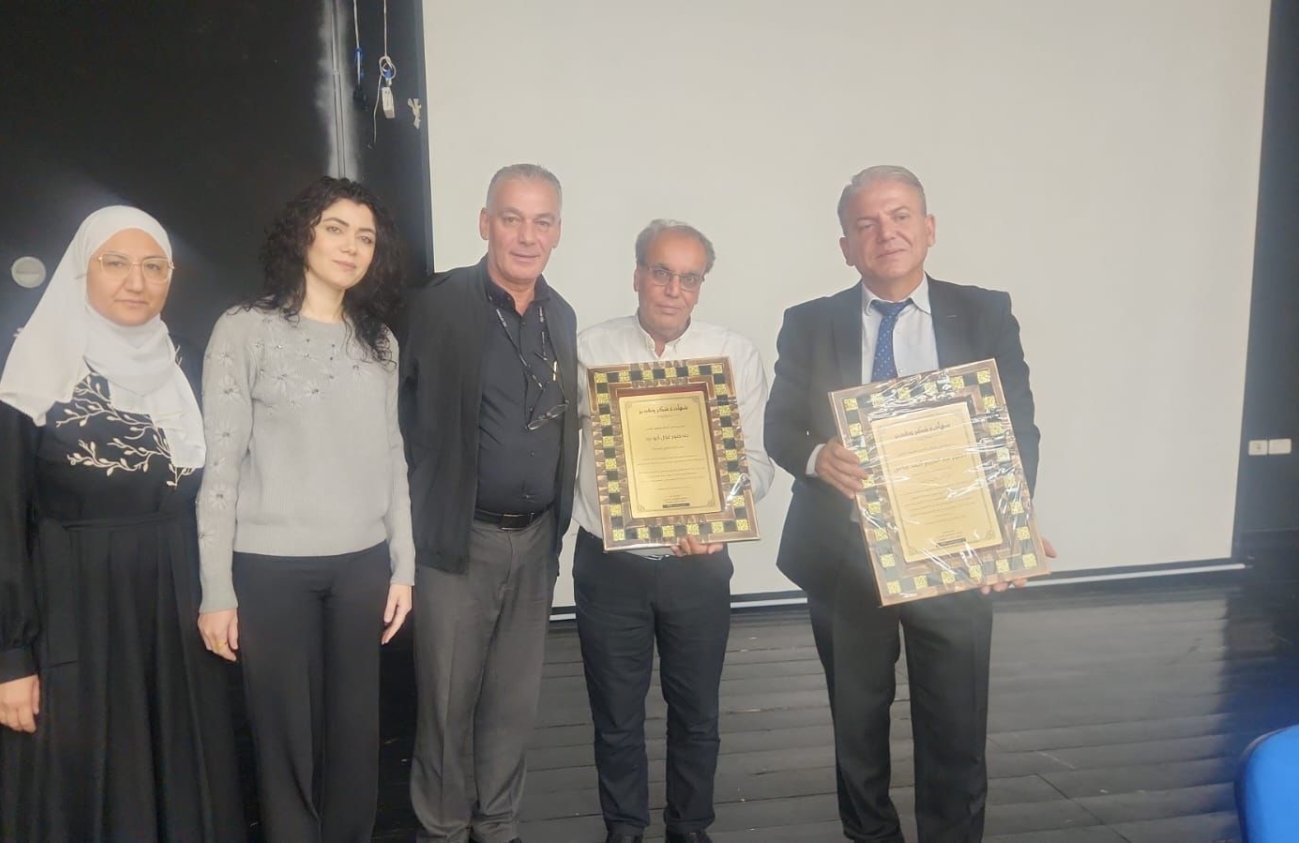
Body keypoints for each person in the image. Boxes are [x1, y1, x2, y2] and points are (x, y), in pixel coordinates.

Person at [766, 165, 1051, 843]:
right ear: (846, 246)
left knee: (957, 726)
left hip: (955, 550)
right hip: (845, 554)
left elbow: (1016, 427)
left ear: (929, 228)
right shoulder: (808, 323)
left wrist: (1009, 524)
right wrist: (817, 455)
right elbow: (780, 426)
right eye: (865, 223)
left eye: (899, 216)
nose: (885, 233)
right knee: (856, 728)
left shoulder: (984, 311)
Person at [0, 205, 244, 841]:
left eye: (154, 266)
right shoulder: (34, 361)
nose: (136, 282)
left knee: (183, 774)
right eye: (115, 263)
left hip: (177, 604)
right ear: (81, 271)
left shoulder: (188, 362)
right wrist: (7, 657)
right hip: (74, 609)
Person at [195, 176, 415, 843]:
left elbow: (394, 457)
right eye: (336, 229)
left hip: (362, 567)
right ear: (302, 236)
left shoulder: (379, 342)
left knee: (355, 735)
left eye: (366, 237)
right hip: (270, 570)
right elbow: (220, 466)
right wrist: (215, 588)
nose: (352, 247)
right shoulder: (244, 329)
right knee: (284, 737)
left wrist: (403, 567)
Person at [573, 220, 775, 843]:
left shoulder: (734, 354)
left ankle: (690, 828)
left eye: (689, 277)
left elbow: (757, 465)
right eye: (661, 272)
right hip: (610, 563)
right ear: (637, 275)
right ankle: (624, 829)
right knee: (615, 716)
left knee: (698, 714)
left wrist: (719, 520)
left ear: (701, 286)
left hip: (699, 564)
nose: (673, 288)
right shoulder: (587, 352)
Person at [401, 163, 578, 843]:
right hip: (459, 539)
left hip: (536, 541)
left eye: (542, 221)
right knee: (447, 704)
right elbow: (397, 414)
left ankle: (498, 825)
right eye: (512, 218)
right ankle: (444, 829)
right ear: (485, 223)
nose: (527, 236)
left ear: (557, 231)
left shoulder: (562, 314)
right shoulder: (436, 304)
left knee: (513, 704)